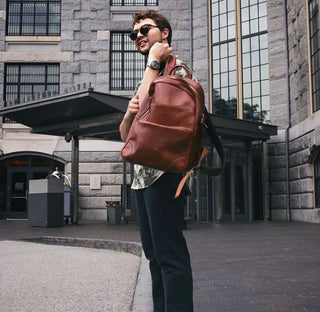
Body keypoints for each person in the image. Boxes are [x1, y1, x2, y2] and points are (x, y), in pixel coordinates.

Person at [119, 10, 194, 312]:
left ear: (164, 33)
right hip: (142, 178)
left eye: (144, 30)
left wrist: (152, 64)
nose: (137, 36)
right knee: (154, 256)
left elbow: (152, 124)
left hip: (164, 175)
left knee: (170, 254)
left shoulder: (177, 74)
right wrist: (128, 112)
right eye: (133, 33)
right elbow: (128, 134)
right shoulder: (153, 75)